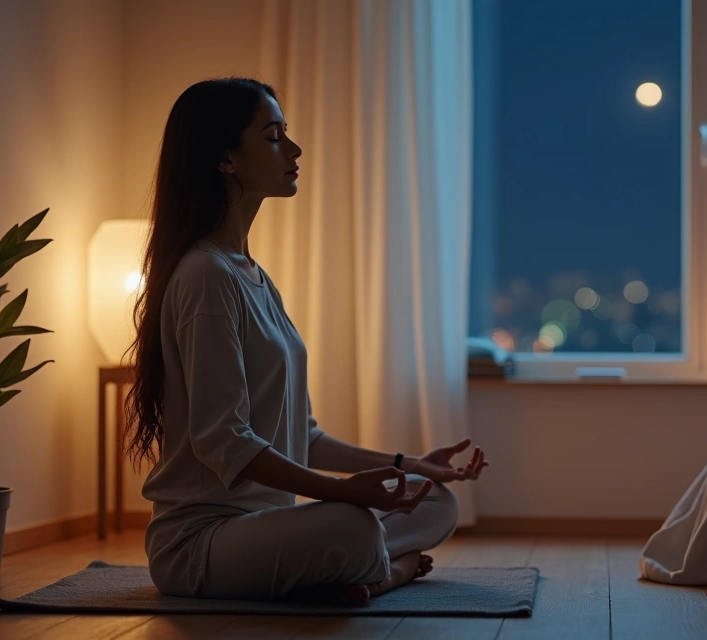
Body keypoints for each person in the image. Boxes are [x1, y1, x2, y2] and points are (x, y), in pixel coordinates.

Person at [123, 77, 488, 605]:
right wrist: (341, 492)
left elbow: (305, 438)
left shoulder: (250, 274)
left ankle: (359, 572)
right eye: (274, 136)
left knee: (437, 502)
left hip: (271, 526)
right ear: (225, 158)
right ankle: (389, 574)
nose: (293, 150)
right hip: (201, 544)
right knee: (353, 526)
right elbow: (224, 442)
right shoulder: (205, 276)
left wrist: (409, 466)